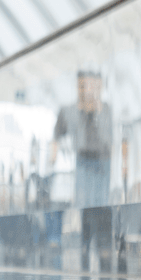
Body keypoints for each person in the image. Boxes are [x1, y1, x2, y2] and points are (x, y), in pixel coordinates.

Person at [51, 71, 113, 209]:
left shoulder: (107, 109)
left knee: (101, 202)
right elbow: (56, 135)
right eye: (82, 86)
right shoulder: (71, 110)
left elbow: (111, 139)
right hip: (82, 161)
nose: (87, 90)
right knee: (84, 203)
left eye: (91, 85)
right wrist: (53, 159)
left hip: (104, 161)